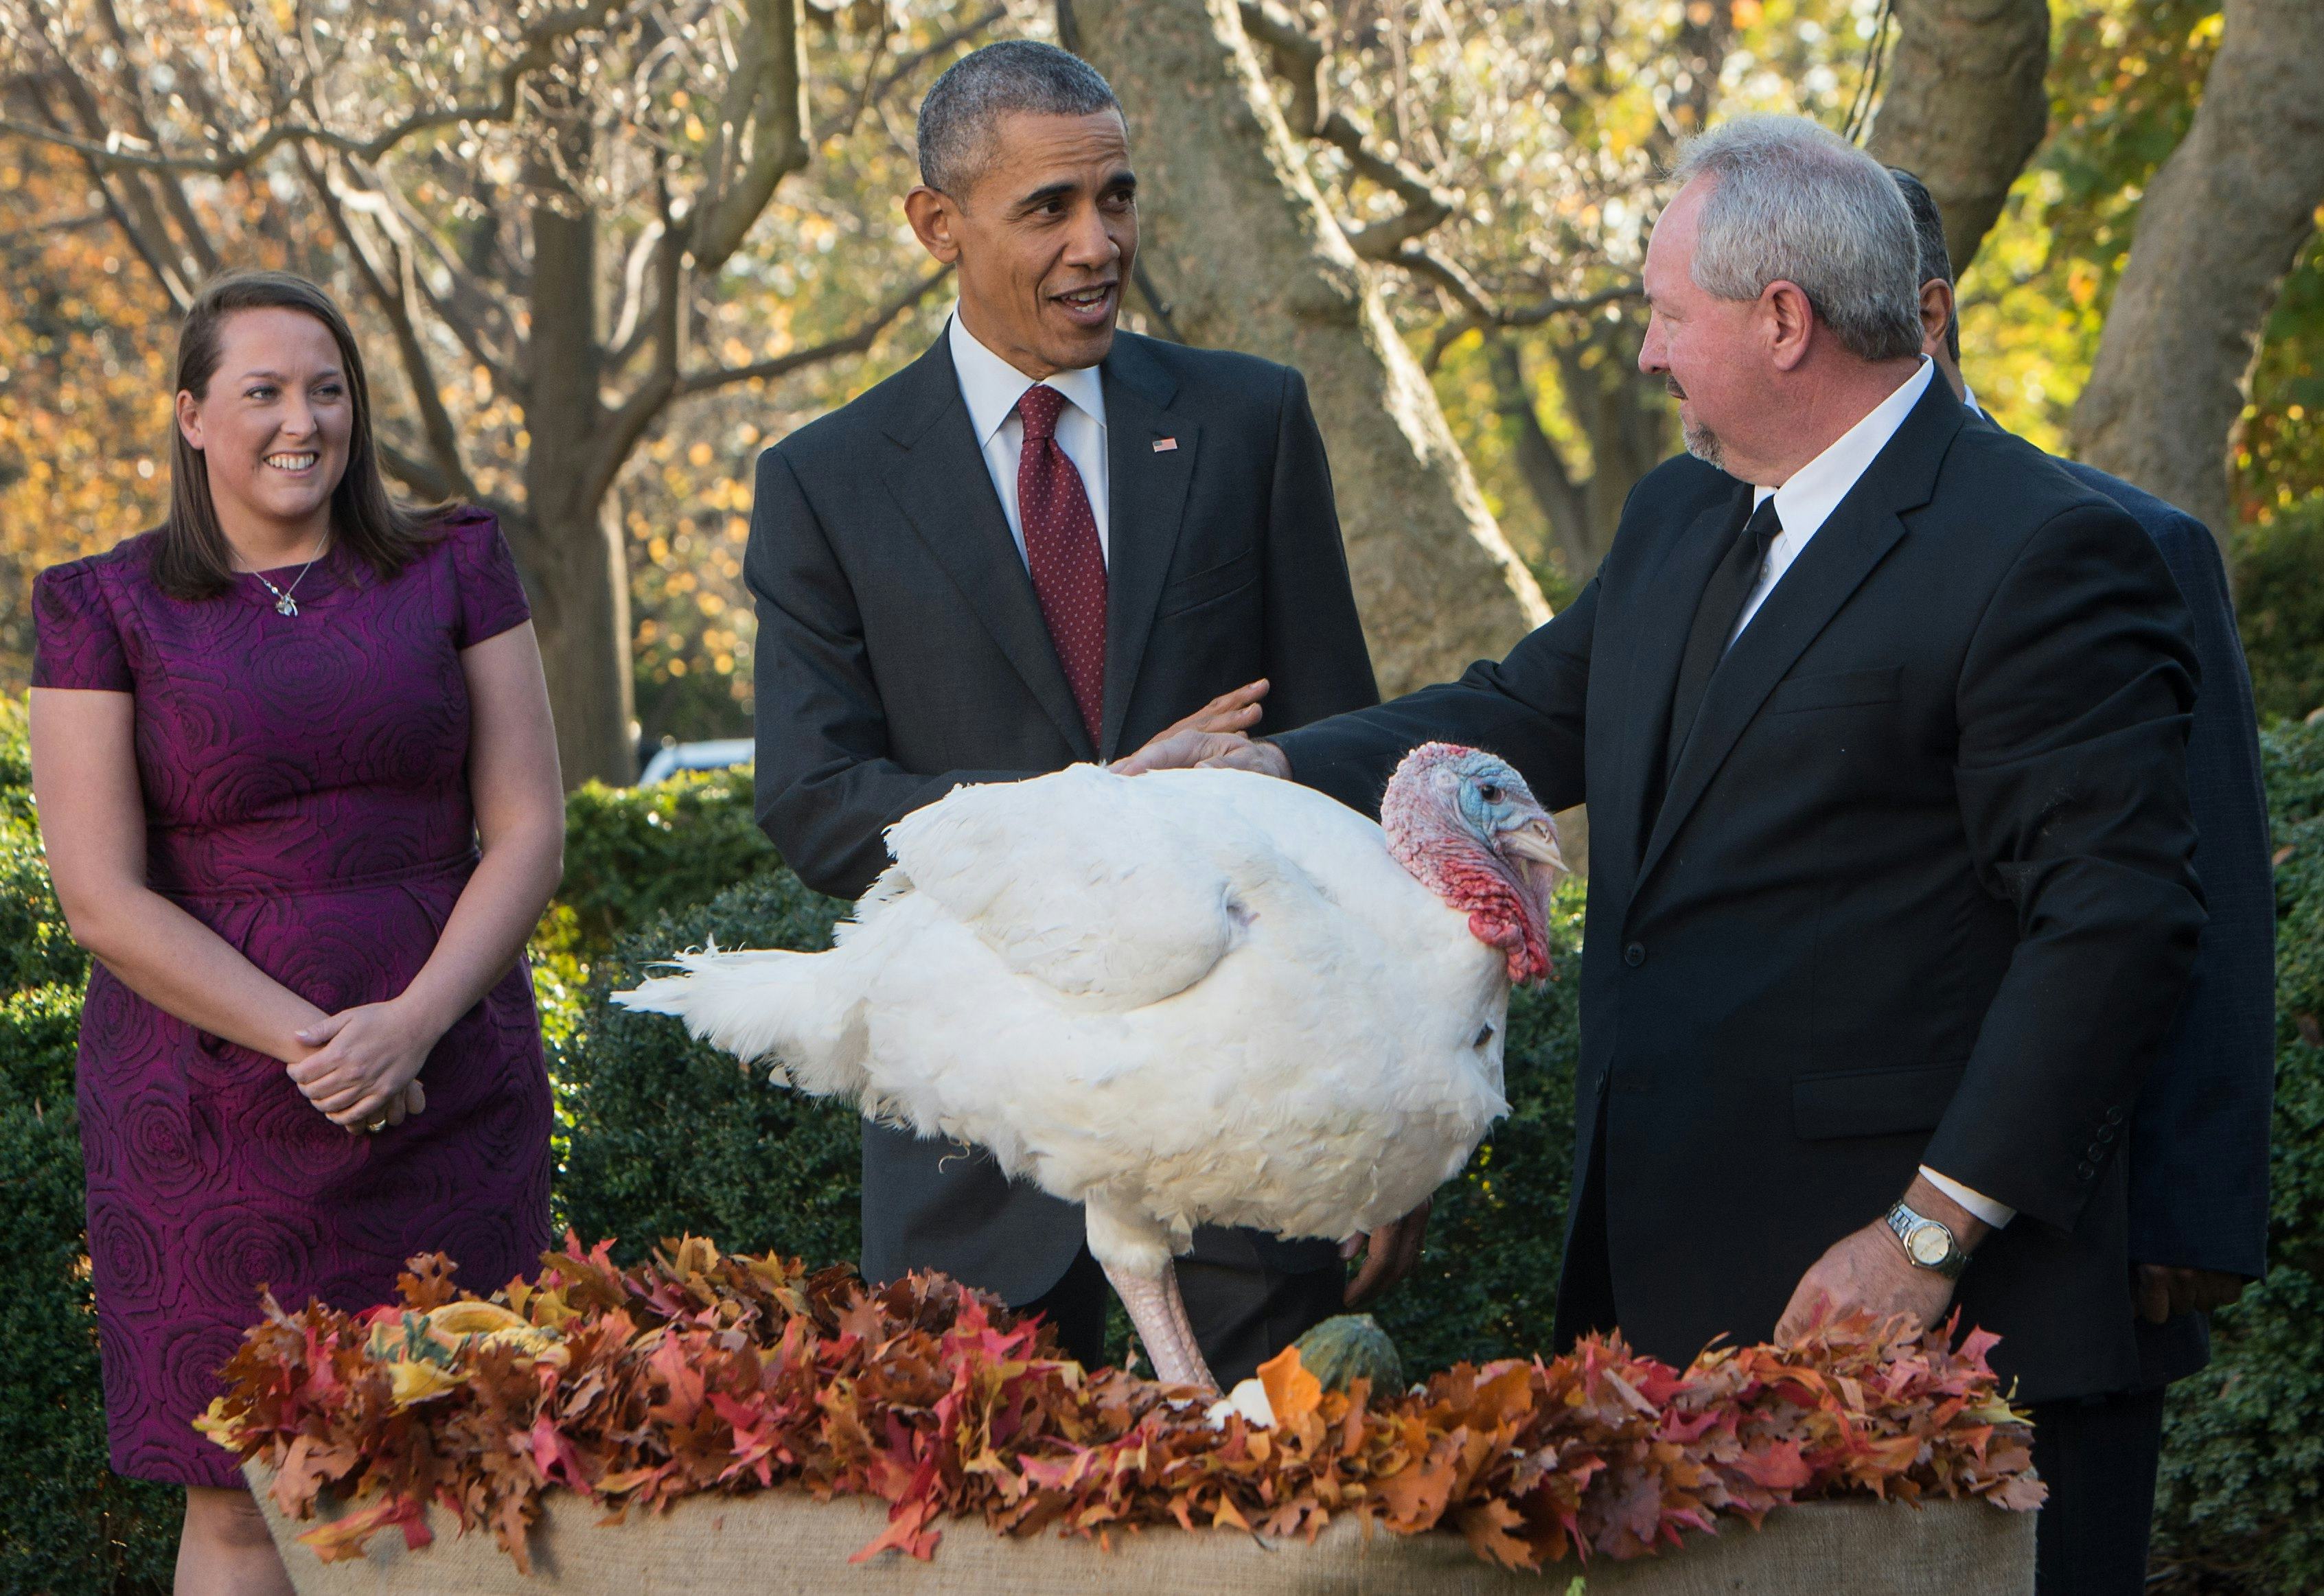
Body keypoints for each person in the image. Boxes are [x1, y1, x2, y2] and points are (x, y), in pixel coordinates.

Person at [1123, 115, 2203, 1590]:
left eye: (1661, 312)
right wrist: (1261, 766)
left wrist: (1927, 1233)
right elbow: (1520, 714)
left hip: (1927, 1308)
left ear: (1782, 320)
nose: (1641, 352)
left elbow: (2115, 923)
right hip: (1675, 1294)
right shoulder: (1681, 515)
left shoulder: (2044, 550)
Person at [744, 41, 1389, 1387]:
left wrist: (1376, 1102)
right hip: (973, 1168)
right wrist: (1092, 815)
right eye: (1049, 208)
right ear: (939, 224)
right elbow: (816, 802)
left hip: (1247, 1147)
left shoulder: (1248, 421)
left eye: (1117, 197)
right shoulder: (826, 483)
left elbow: (1343, 786)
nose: (1099, 243)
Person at [30, 270, 564, 1596]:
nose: (300, 420)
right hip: (210, 1109)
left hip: (448, 1078)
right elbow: (99, 897)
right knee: (240, 1492)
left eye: (326, 389)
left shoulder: (453, 562)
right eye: (262, 390)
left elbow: (531, 830)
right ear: (191, 417)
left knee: (452, 1470)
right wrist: (319, 1046)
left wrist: (412, 1025)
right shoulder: (100, 607)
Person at [1887, 165, 2274, 1590]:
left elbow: (2209, 892)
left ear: (1926, 313)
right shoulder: (1740, 545)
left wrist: (2189, 1204)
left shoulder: (2131, 545)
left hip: (2089, 1232)